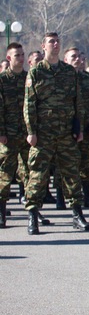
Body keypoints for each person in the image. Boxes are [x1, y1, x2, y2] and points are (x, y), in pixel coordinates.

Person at [23, 32, 89, 234]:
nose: (55, 44)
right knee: (37, 174)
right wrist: (31, 131)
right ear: (43, 46)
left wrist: (78, 128)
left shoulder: (69, 72)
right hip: (43, 133)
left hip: (65, 132)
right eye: (51, 42)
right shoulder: (36, 72)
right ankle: (33, 215)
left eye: (57, 41)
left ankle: (77, 214)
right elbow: (29, 105)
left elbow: (77, 102)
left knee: (72, 173)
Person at [1, 43, 32, 226]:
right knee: (5, 175)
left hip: (27, 135)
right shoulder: (2, 80)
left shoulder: (30, 78)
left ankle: (32, 212)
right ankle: (1, 211)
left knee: (31, 175)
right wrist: (1, 132)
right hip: (9, 135)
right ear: (8, 58)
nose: (20, 58)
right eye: (16, 55)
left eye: (22, 54)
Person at [64, 47, 89, 209]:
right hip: (66, 129)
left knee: (86, 163)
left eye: (79, 56)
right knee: (66, 164)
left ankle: (87, 194)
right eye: (73, 57)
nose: (77, 59)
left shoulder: (87, 79)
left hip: (87, 127)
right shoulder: (62, 78)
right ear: (66, 60)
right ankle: (63, 196)